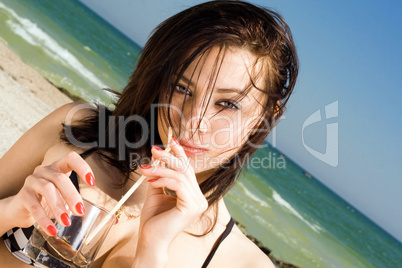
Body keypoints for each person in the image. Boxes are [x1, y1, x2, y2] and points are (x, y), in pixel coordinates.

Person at [0, 0, 298, 267]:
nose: (194, 121)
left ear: (267, 117)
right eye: (183, 88)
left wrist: (152, 250)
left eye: (227, 104)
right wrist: (12, 211)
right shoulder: (76, 131)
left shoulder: (242, 263)